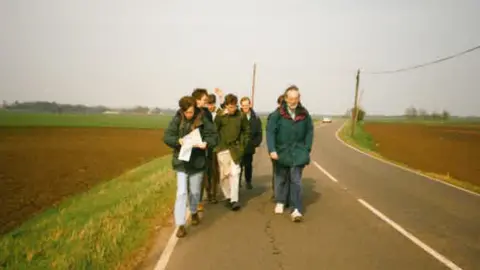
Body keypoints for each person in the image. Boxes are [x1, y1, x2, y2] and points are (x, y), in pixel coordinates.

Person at [163, 96, 218, 237]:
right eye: (187, 112)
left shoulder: (203, 118)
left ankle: (193, 212)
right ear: (182, 110)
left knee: (194, 192)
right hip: (181, 162)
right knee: (181, 192)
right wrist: (177, 141)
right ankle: (180, 225)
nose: (189, 114)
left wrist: (206, 143)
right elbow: (167, 136)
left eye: (191, 111)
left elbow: (213, 136)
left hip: (197, 162)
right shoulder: (177, 119)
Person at [267, 85, 314, 222]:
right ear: (286, 99)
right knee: (281, 178)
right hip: (282, 152)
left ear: (299, 99)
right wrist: (272, 149)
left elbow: (309, 132)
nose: (293, 101)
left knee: (296, 181)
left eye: (296, 98)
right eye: (291, 98)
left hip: (298, 152)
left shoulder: (304, 115)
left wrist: (307, 149)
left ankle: (296, 208)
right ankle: (280, 201)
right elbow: (270, 132)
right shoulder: (277, 114)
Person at [214, 93, 251, 211]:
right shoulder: (220, 116)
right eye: (230, 107)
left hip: (236, 149)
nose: (232, 109)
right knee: (224, 176)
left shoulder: (241, 116)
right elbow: (214, 130)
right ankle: (228, 196)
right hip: (222, 149)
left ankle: (234, 200)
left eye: (234, 106)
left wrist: (243, 145)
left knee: (235, 173)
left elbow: (246, 130)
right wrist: (217, 146)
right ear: (226, 105)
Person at [191, 88, 213, 211]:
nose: (206, 102)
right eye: (204, 100)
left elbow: (210, 130)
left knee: (201, 176)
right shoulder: (189, 111)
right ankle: (192, 200)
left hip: (202, 148)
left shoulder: (206, 113)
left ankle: (198, 201)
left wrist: (207, 141)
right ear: (197, 100)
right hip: (189, 148)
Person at [239, 97, 263, 189]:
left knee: (248, 165)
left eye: (247, 105)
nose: (245, 107)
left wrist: (255, 143)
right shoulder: (237, 116)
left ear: (250, 104)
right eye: (243, 105)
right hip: (239, 146)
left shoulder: (255, 117)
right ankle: (238, 182)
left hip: (249, 145)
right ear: (241, 105)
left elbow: (259, 132)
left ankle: (248, 181)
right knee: (239, 165)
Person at [267, 94, 286, 200]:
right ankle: (277, 194)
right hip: (276, 149)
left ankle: (285, 194)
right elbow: (270, 133)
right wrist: (272, 150)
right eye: (282, 103)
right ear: (279, 104)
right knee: (277, 172)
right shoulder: (273, 116)